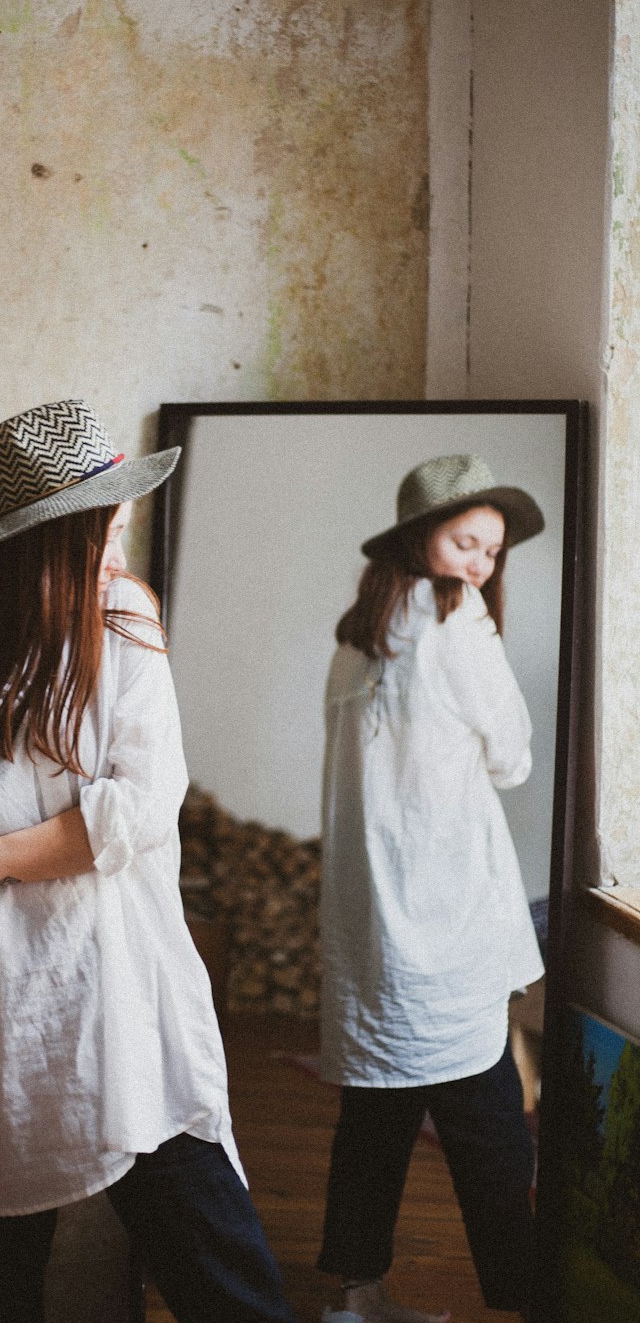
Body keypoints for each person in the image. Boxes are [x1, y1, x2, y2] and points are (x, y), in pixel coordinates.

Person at [0, 398, 298, 1323]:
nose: (123, 532)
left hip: (136, 1022)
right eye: (109, 516)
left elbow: (137, 811)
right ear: (49, 541)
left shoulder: (125, 620)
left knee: (235, 1294)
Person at [316, 454, 546, 1323]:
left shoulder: (357, 635)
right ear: (423, 540)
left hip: (374, 931)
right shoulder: (455, 620)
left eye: (491, 551)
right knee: (490, 1135)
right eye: (466, 541)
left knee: (372, 1130)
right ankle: (527, 1302)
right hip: (443, 931)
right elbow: (515, 756)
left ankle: (353, 1299)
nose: (481, 565)